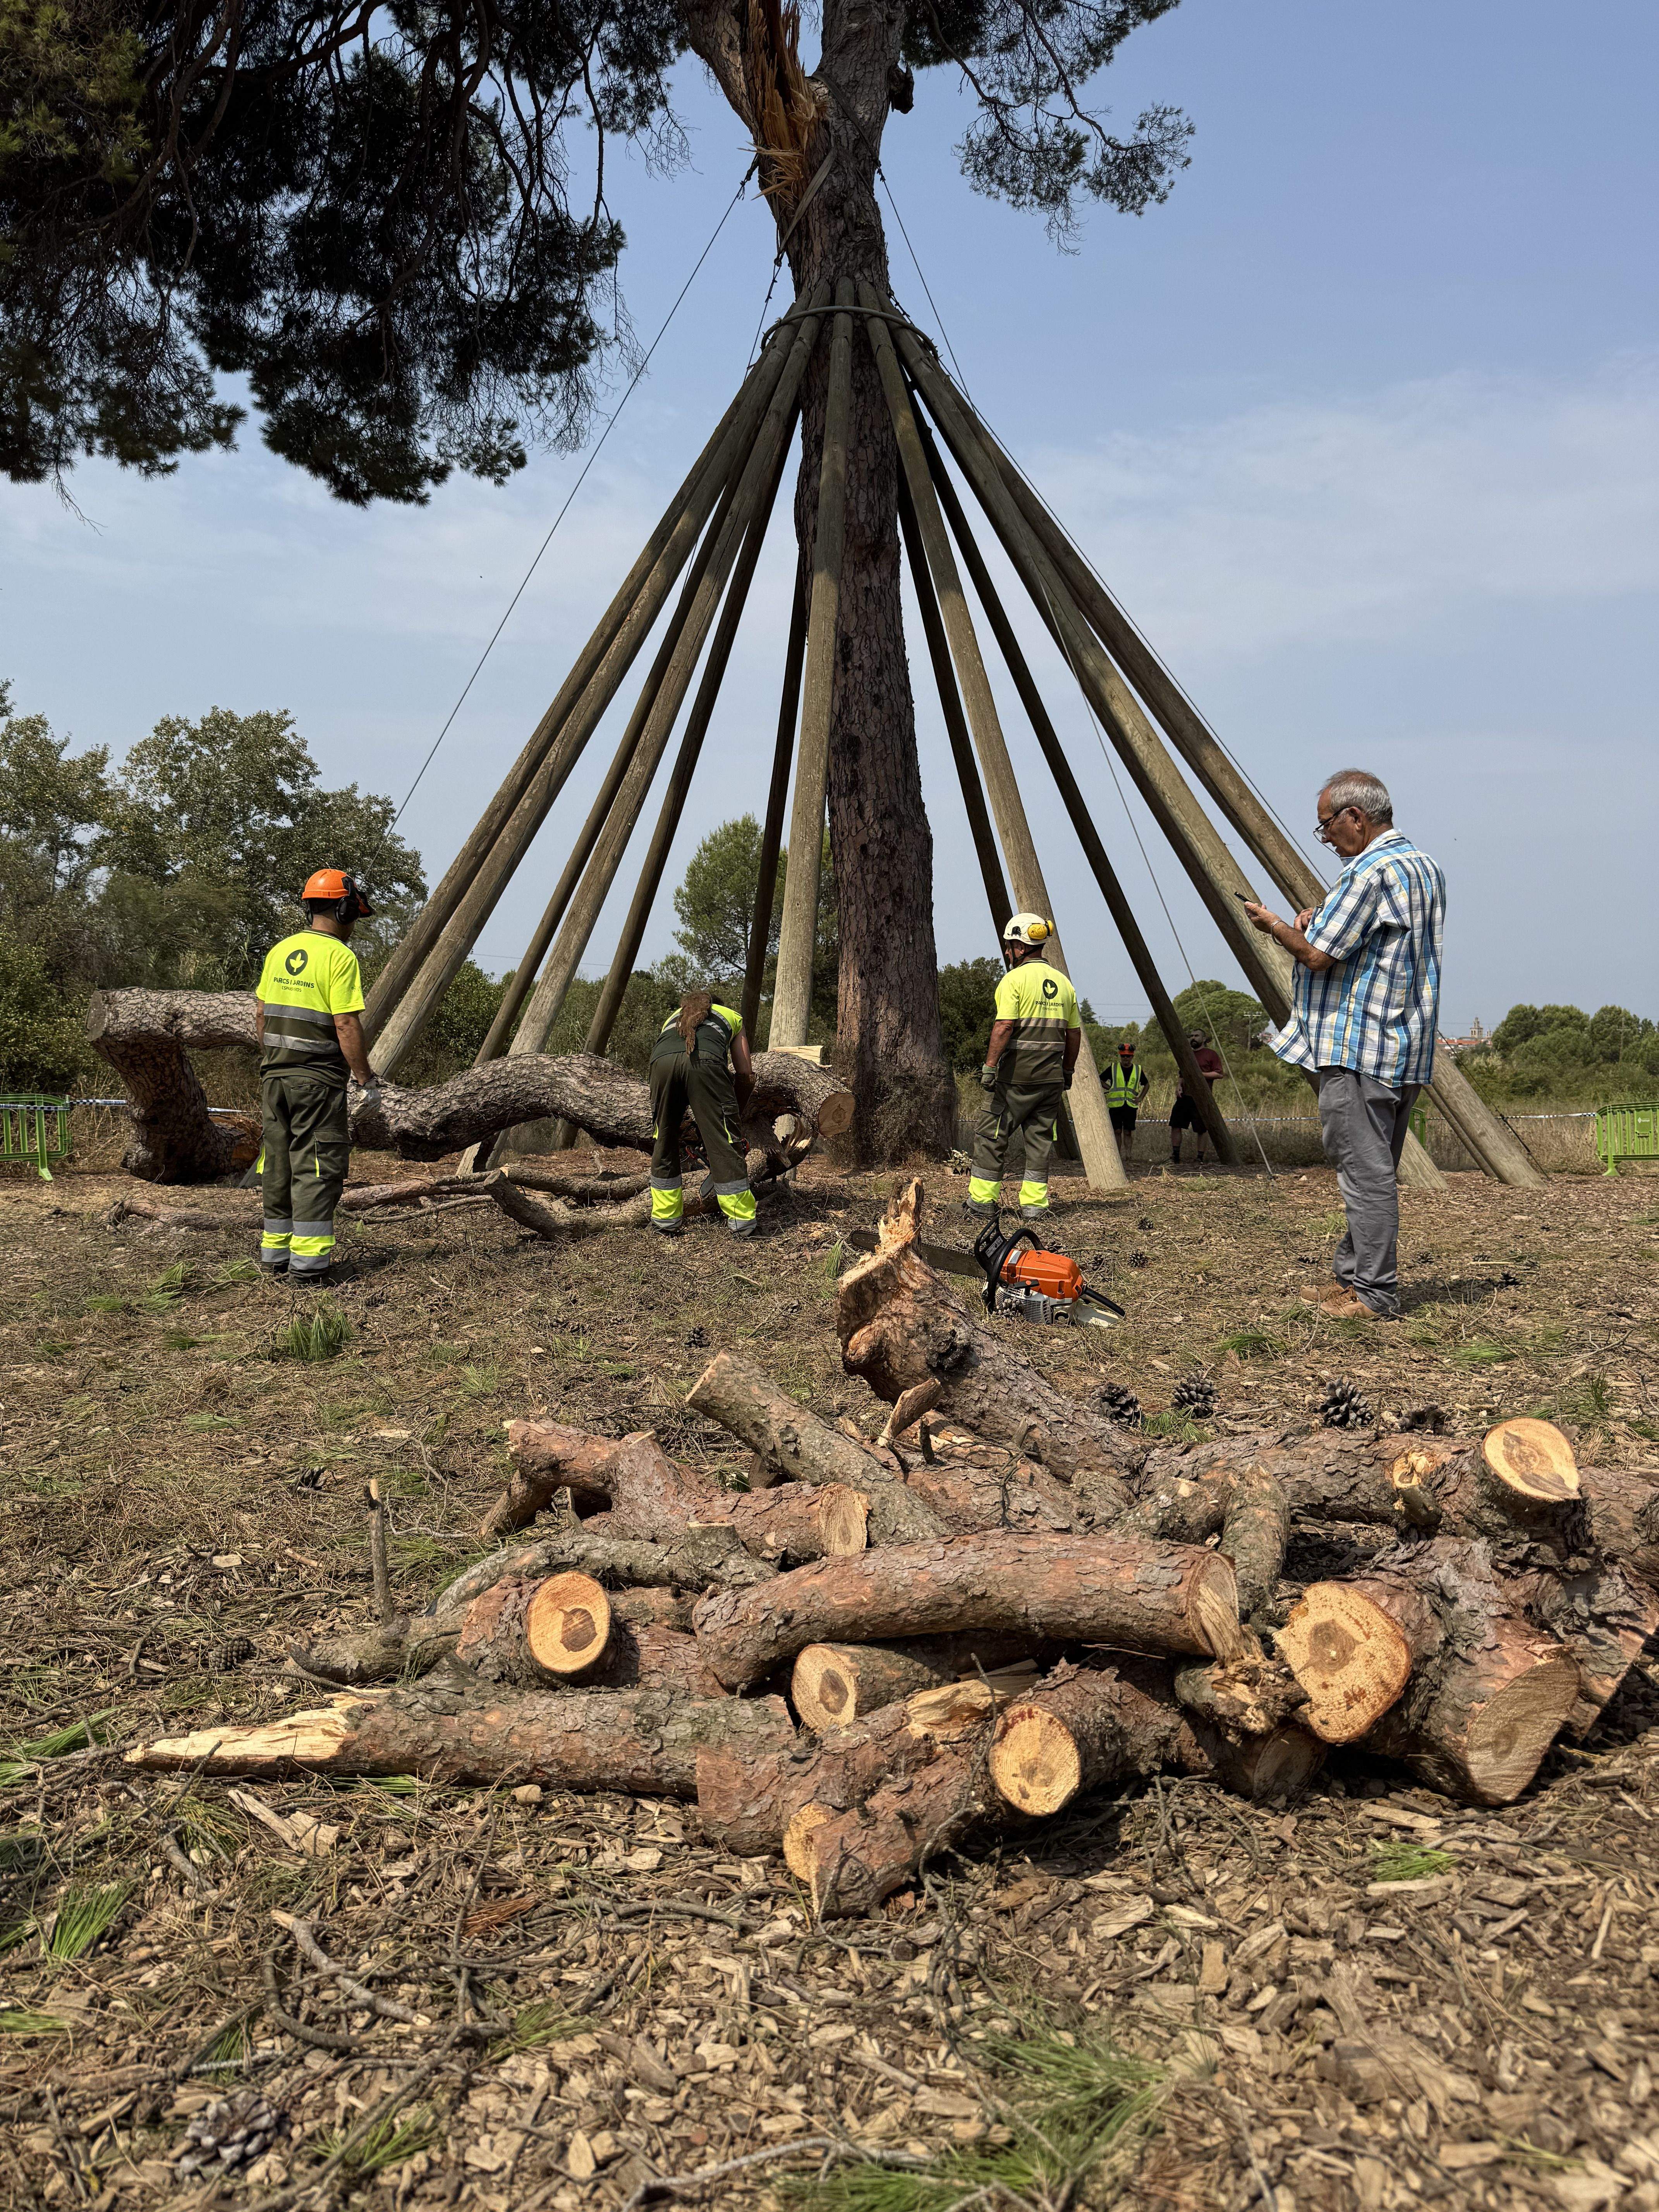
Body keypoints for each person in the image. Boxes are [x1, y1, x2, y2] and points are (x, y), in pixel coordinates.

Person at [1244, 769, 1444, 1321]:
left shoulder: (1369, 872)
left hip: (1358, 1047)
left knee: (1365, 1175)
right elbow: (1367, 940)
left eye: (1327, 825)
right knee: (1373, 1168)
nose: (1326, 837)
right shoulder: (1423, 867)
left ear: (1356, 816)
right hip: (1404, 1045)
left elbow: (1317, 956)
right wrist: (1319, 920)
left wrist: (1276, 925)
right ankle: (1352, 1278)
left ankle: (1375, 1293)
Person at [253, 869, 379, 1283]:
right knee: (317, 1166)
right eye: (354, 914)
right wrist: (365, 1079)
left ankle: (275, 1257)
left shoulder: (280, 951)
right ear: (344, 909)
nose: (354, 923)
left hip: (274, 1077)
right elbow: (345, 1023)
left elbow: (261, 1013)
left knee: (278, 1164)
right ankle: (309, 1269)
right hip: (318, 1081)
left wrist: (276, 1059)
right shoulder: (340, 957)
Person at [965, 914, 1081, 1223]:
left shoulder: (1013, 981)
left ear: (1021, 946)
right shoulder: (1064, 984)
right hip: (1051, 1080)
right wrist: (1067, 1071)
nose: (1007, 952)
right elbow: (1074, 1034)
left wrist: (990, 1067)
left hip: (1015, 1078)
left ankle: (982, 1203)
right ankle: (1034, 1206)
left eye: (1009, 946)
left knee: (991, 1134)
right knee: (1040, 1142)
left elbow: (1004, 1025)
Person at [649, 991, 758, 1238]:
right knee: (724, 1143)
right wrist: (733, 1117)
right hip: (705, 1064)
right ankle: (743, 1223)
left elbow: (674, 1058)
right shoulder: (732, 1017)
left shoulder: (673, 1017)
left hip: (660, 1065)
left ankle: (665, 1221)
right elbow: (744, 1072)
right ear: (717, 1006)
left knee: (664, 1140)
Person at [1169, 1030, 1224, 1166]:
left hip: (1202, 1098)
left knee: (1201, 1129)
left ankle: (1200, 1158)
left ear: (1204, 1039)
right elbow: (1182, 1074)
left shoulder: (1211, 1054)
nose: (1193, 1038)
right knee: (1176, 1125)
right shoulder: (1187, 1054)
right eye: (1192, 1036)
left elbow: (1219, 1074)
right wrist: (1179, 1085)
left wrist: (1200, 1074)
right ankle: (1176, 1156)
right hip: (1184, 1096)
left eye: (1197, 1036)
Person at [1103, 1037, 1147, 1166]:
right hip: (1116, 1106)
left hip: (1130, 1106)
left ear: (1132, 1057)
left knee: (1128, 1132)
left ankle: (1129, 1156)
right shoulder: (1113, 1068)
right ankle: (1117, 1157)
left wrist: (1141, 1098)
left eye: (1128, 1056)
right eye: (1123, 1056)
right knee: (1117, 1131)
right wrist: (1110, 1088)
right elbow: (1100, 1079)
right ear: (1120, 1056)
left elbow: (1147, 1084)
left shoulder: (1138, 1069)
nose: (1126, 1059)